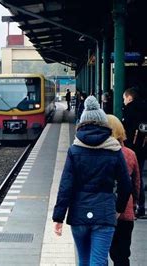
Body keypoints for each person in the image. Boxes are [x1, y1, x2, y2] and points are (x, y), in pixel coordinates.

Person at [53, 96, 132, 266]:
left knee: (84, 260)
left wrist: (58, 217)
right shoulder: (114, 149)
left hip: (79, 214)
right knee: (98, 261)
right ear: (104, 124)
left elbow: (65, 186)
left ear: (82, 123)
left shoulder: (74, 150)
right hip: (104, 213)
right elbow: (126, 184)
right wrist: (118, 209)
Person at [106, 114, 141, 266]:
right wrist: (134, 204)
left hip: (105, 212)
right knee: (122, 255)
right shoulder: (130, 154)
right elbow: (136, 184)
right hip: (126, 213)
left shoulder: (101, 154)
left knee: (102, 253)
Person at [122, 88, 147, 218]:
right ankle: (141, 206)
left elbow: (126, 132)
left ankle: (133, 206)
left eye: (124, 99)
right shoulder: (144, 109)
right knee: (138, 178)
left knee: (131, 178)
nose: (123, 102)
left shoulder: (129, 110)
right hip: (143, 149)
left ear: (129, 98)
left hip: (132, 149)